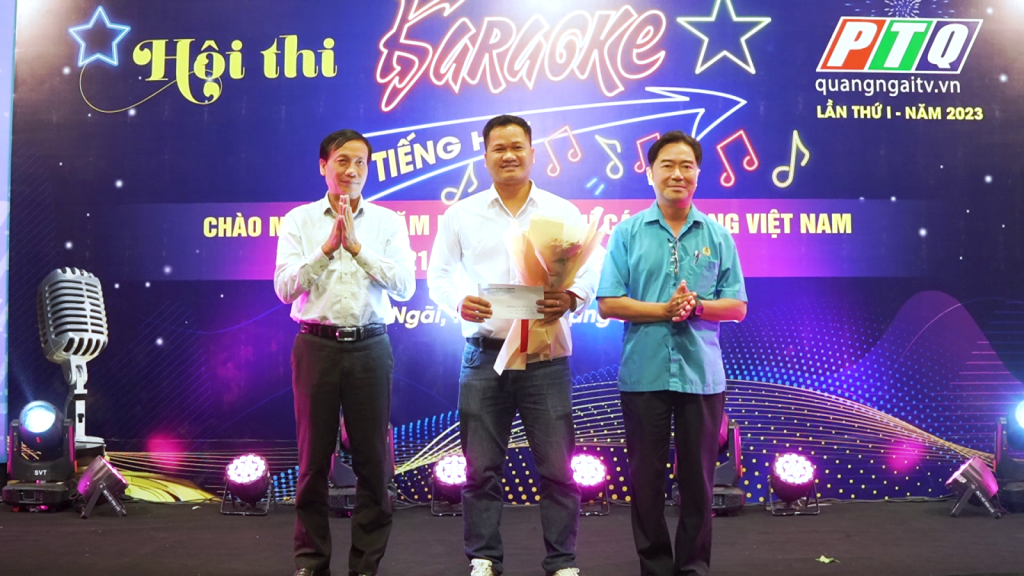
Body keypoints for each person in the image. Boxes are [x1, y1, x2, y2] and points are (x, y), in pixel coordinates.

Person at [427, 114, 599, 576]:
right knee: (480, 468)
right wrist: (458, 302)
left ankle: (562, 561)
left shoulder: (560, 211)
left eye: (517, 146)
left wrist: (572, 297)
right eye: (498, 148)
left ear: (532, 153)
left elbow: (591, 269)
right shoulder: (461, 214)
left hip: (546, 358)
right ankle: (484, 557)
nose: (508, 155)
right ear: (485, 156)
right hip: (485, 356)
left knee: (558, 468)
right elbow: (438, 276)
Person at [596, 131, 747, 576]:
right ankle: (655, 567)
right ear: (650, 173)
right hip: (644, 374)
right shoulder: (627, 233)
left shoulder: (718, 235)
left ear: (698, 174)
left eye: (686, 165)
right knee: (645, 482)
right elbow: (608, 303)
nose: (677, 173)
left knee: (698, 483)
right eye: (667, 165)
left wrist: (697, 306)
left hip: (701, 376)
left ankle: (693, 568)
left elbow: (737, 306)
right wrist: (663, 310)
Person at [274, 129, 416, 576]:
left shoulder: (388, 222)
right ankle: (311, 562)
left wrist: (356, 248)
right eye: (342, 161)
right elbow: (284, 289)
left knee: (374, 463)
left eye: (360, 162)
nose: (352, 170)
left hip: (370, 346)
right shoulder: (299, 220)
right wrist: (326, 249)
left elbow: (406, 287)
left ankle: (366, 564)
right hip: (316, 345)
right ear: (323, 166)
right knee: (313, 462)